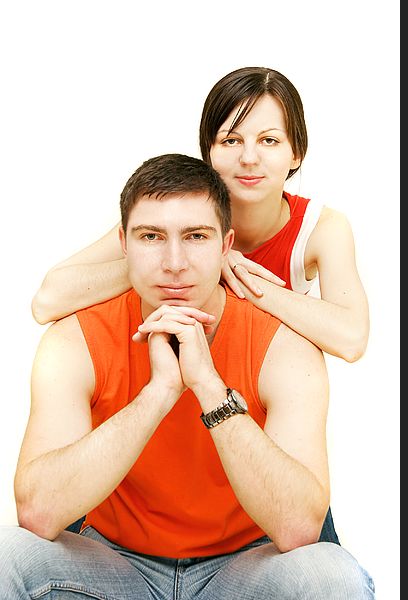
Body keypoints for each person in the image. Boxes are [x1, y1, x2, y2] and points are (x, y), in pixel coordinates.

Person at [0, 154, 375, 599]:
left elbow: (298, 528)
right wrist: (158, 393)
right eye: (151, 237)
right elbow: (39, 513)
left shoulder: (285, 346)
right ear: (123, 244)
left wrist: (209, 388)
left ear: (226, 244)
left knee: (332, 576)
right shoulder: (75, 340)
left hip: (241, 568)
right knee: (8, 556)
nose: (173, 262)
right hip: (116, 565)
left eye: (196, 237)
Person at [31, 67, 369, 363]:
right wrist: (157, 262)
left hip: (257, 387)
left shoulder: (322, 228)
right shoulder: (168, 215)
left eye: (269, 140)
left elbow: (351, 340)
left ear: (296, 153)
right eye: (230, 141)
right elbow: (47, 301)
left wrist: (227, 269)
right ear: (208, 151)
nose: (249, 158)